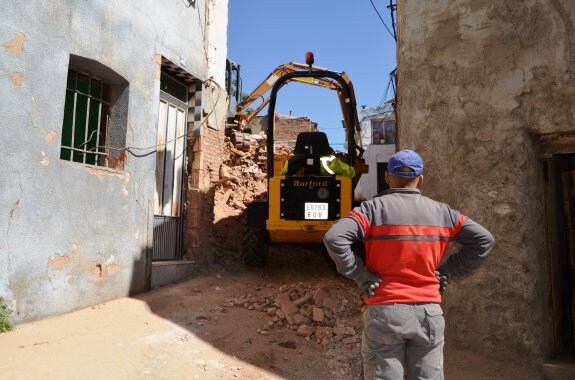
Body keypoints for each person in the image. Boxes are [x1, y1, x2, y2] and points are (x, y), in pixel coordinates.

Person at [323, 149, 495, 380]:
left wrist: (360, 274)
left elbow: (334, 238)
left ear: (387, 177)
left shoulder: (371, 210)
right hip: (429, 314)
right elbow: (484, 240)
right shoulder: (443, 213)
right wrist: (448, 271)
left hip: (385, 311)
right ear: (420, 179)